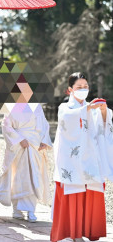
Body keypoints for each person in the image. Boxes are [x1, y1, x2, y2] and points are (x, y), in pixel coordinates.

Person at [51, 72, 113, 242]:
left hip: (90, 158)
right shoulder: (65, 108)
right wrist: (87, 109)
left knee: (90, 192)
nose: (83, 90)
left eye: (86, 87)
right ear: (69, 90)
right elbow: (67, 121)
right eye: (79, 87)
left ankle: (85, 231)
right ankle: (71, 233)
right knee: (73, 193)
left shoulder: (91, 107)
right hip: (72, 160)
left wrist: (103, 112)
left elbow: (104, 128)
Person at [0, 103, 52, 222]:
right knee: (17, 176)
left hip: (34, 144)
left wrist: (44, 140)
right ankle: (16, 209)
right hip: (18, 146)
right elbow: (6, 125)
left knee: (34, 176)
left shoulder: (36, 106)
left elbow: (44, 124)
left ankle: (31, 210)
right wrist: (19, 139)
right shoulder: (11, 106)